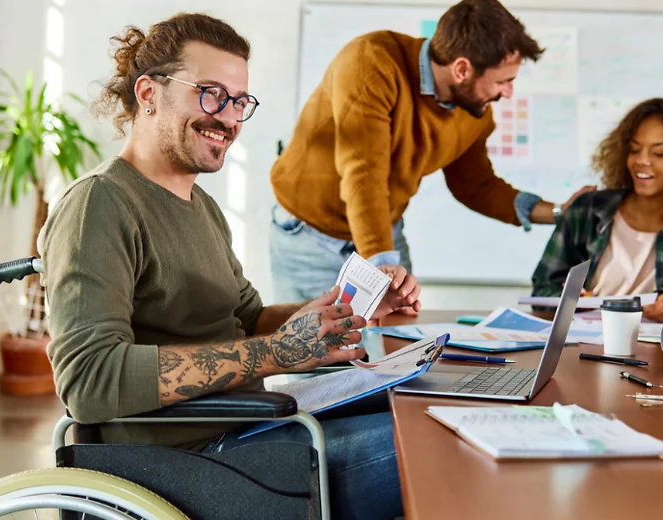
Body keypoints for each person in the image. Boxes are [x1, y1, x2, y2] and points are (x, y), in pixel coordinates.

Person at [39, 14, 420, 519]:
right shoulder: (100, 204)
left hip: (248, 430)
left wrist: (345, 309)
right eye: (211, 94)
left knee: (425, 406)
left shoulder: (202, 207)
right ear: (149, 92)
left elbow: (248, 317)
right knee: (437, 448)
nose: (230, 118)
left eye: (240, 101)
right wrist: (278, 353)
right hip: (186, 464)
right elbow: (90, 381)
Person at [268, 0, 593, 303]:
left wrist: (561, 213)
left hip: (384, 233)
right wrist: (382, 263)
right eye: (503, 81)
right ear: (462, 69)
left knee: (397, 356)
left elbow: (477, 185)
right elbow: (364, 172)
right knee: (313, 357)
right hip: (310, 236)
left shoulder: (473, 110)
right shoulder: (371, 62)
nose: (508, 92)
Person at [530, 98, 663, 322]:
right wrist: (572, 300)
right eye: (634, 150)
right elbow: (542, 291)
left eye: (659, 154)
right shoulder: (587, 210)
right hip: (582, 344)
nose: (642, 161)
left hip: (661, 350)